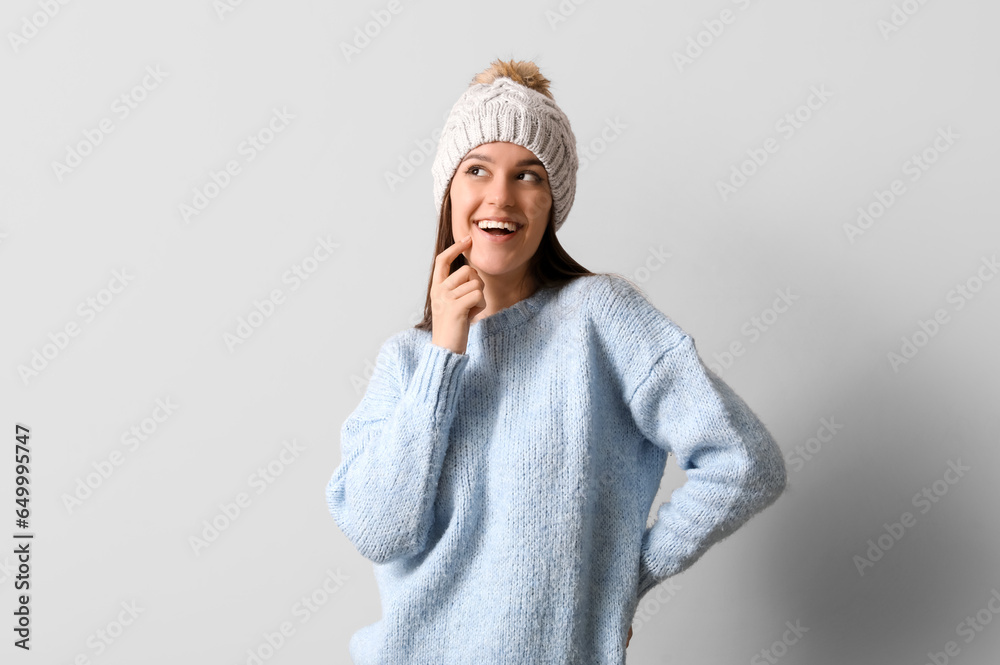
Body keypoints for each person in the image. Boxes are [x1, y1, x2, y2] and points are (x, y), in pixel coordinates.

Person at [325, 58, 788, 665]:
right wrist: (444, 354)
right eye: (477, 169)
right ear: (449, 191)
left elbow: (745, 461)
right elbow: (379, 531)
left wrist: (622, 580)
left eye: (529, 175)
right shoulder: (408, 363)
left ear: (552, 202)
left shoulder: (601, 319)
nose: (500, 196)